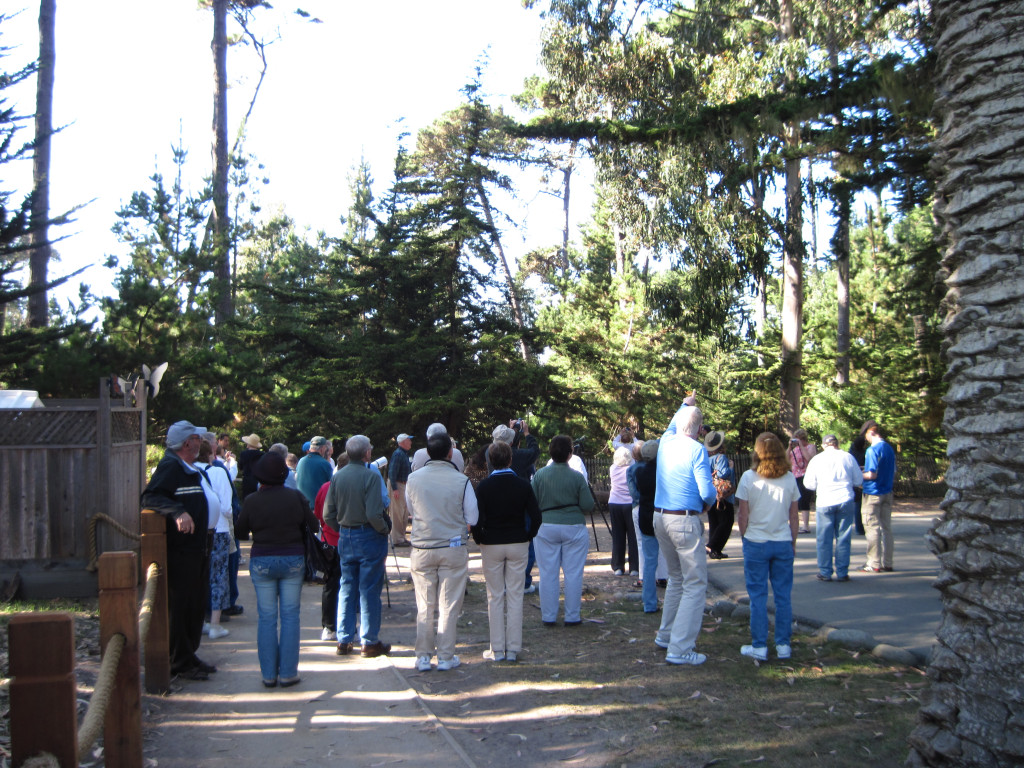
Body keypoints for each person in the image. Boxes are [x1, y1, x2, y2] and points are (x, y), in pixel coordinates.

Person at [235, 452, 319, 688]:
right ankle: (288, 672)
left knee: (267, 617)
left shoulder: (252, 500)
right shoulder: (295, 497)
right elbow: (313, 525)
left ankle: (268, 674)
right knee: (291, 616)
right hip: (292, 558)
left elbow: (240, 531)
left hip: (262, 559)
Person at [141, 420, 216, 681]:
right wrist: (178, 512)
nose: (201, 442)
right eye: (197, 438)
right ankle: (179, 661)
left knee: (195, 605)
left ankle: (189, 654)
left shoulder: (188, 467)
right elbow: (151, 496)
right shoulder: (170, 466)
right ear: (187, 443)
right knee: (182, 605)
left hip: (198, 548)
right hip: (183, 550)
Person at [405, 433, 480, 671]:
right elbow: (473, 517)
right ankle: (446, 655)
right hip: (452, 546)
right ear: (450, 453)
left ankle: (423, 655)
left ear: (428, 453)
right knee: (449, 604)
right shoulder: (461, 480)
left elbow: (411, 509)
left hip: (422, 546)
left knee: (424, 603)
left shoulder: (413, 479)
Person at [653, 403, 716, 666]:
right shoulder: (697, 449)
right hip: (684, 520)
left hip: (660, 517)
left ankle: (667, 635)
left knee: (677, 578)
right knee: (695, 583)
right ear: (701, 430)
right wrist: (709, 503)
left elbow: (671, 425)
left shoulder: (665, 442)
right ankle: (680, 648)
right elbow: (707, 491)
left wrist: (683, 404)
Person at [323, 435, 392, 658]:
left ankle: (344, 638)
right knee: (369, 589)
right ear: (367, 453)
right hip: (368, 535)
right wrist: (383, 528)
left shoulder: (337, 477)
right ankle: (369, 640)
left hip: (345, 535)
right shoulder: (370, 476)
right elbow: (374, 513)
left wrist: (342, 527)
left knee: (347, 586)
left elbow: (327, 514)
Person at [472, 441, 542, 662]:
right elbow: (536, 516)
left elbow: (476, 518)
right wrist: (527, 535)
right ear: (510, 459)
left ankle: (496, 649)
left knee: (494, 596)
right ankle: (512, 648)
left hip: (491, 542)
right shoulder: (522, 485)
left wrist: (480, 538)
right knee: (515, 594)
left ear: (490, 461)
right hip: (517, 542)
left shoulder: (483, 487)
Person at [735, 432, 800, 661]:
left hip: (756, 542)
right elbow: (794, 516)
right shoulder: (789, 478)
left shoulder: (748, 478)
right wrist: (793, 542)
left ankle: (759, 644)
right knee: (783, 596)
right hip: (781, 541)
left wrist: (745, 537)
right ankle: (783, 644)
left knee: (758, 596)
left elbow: (743, 514)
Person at [531, 435, 595, 627]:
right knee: (573, 573)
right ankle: (572, 616)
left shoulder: (540, 475)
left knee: (547, 573)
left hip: (546, 526)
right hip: (573, 526)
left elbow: (532, 502)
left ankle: (549, 616)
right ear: (570, 454)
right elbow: (588, 504)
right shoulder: (577, 477)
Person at [803, 434, 863, 582]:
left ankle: (825, 571)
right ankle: (842, 572)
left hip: (825, 500)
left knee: (824, 538)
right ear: (837, 444)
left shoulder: (817, 460)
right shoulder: (848, 457)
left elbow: (808, 484)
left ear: (824, 445)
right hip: (845, 498)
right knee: (843, 536)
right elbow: (858, 480)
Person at [491, 420, 541, 592]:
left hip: (497, 504)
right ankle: (524, 581)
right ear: (512, 443)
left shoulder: (490, 454)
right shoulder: (518, 456)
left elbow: (503, 445)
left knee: (502, 543)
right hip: (520, 503)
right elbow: (535, 451)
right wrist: (526, 433)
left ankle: (503, 582)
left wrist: (509, 431)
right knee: (527, 543)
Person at [195, 438, 234, 640]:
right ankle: (215, 623)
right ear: (211, 452)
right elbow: (227, 507)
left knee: (199, 575)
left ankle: (199, 620)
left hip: (195, 531)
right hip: (218, 529)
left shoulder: (190, 471)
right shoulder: (218, 473)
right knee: (218, 575)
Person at [861, 423, 897, 573]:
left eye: (866, 436)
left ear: (871, 432)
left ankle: (873, 562)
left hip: (873, 493)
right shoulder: (888, 448)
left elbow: (871, 474)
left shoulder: (872, 450)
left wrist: (858, 476)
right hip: (887, 491)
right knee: (886, 528)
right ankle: (888, 562)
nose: (866, 439)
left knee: (872, 527)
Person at [633, 439, 663, 613]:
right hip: (660, 516)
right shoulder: (662, 473)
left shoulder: (639, 472)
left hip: (645, 516)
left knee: (650, 562)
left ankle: (649, 602)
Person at [704, 431, 736, 560]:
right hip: (723, 495)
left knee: (714, 522)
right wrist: (731, 468)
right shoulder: (721, 458)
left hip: (712, 493)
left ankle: (715, 550)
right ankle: (712, 545)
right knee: (727, 521)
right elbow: (723, 474)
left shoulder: (707, 458)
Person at [608, 445, 638, 576]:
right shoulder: (632, 469)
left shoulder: (612, 468)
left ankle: (618, 566)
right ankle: (634, 567)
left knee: (617, 535)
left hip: (615, 503)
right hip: (630, 503)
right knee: (633, 536)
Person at [848, 420, 877, 536]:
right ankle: (862, 527)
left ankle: (859, 527)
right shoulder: (864, 453)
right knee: (861, 504)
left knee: (857, 503)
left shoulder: (852, 453)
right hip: (862, 477)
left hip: (855, 477)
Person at [787, 428, 817, 533]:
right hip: (795, 476)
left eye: (798, 440)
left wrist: (801, 446)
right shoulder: (794, 451)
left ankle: (806, 525)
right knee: (795, 501)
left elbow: (809, 458)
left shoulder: (810, 447)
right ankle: (796, 524)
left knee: (804, 500)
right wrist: (789, 447)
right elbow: (786, 460)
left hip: (806, 476)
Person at [388, 433, 414, 547]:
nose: (411, 442)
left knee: (403, 513)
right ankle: (397, 539)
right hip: (398, 484)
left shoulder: (403, 454)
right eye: (409, 440)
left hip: (402, 484)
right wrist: (395, 489)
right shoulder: (398, 454)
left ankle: (401, 537)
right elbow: (392, 472)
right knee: (398, 513)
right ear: (403, 442)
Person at [296, 436, 334, 509]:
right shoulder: (324, 463)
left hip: (301, 505)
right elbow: (331, 486)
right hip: (317, 506)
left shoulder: (301, 461)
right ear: (322, 448)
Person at [238, 434, 264, 499]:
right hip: (258, 481)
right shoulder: (262, 454)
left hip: (247, 481)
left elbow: (240, 466)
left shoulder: (243, 454)